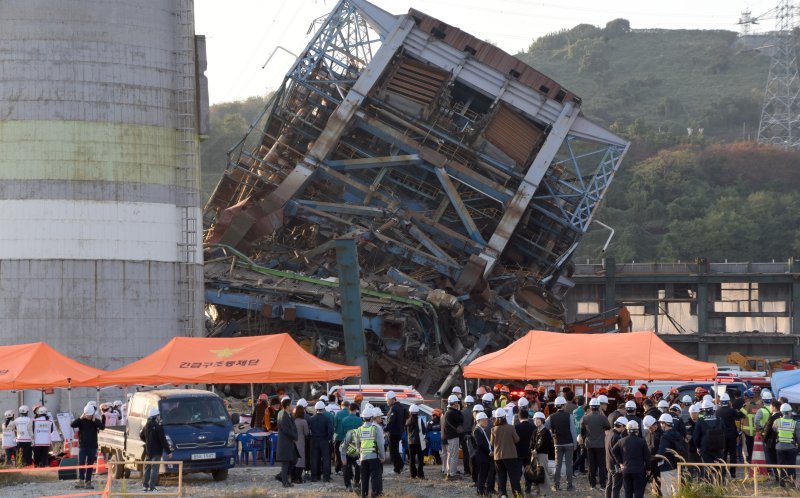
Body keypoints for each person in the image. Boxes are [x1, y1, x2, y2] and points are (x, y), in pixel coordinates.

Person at [612, 420, 650, 498]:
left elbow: (613, 451)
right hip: (639, 470)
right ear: (637, 430)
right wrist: (648, 468)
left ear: (627, 430)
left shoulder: (621, 440)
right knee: (638, 492)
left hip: (626, 470)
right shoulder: (642, 441)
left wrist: (620, 462)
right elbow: (647, 456)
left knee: (628, 492)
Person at [545, 396, 576, 492]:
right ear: (563, 405)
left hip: (557, 443)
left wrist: (552, 434)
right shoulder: (569, 416)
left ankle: (556, 485)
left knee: (557, 465)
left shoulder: (551, 417)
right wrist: (575, 443)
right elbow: (573, 431)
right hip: (569, 443)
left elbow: (544, 428)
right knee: (568, 465)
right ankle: (569, 486)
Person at [70, 405, 105, 489]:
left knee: (90, 464)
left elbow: (102, 427)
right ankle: (81, 481)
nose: (88, 417)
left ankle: (88, 482)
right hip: (82, 446)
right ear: (85, 414)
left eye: (90, 415)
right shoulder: (81, 421)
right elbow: (72, 425)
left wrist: (94, 420)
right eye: (87, 415)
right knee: (81, 463)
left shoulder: (95, 421)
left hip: (92, 446)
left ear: (93, 414)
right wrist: (80, 418)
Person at [491, 408, 522, 498]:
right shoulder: (511, 428)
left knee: (501, 477)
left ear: (496, 418)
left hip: (498, 457)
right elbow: (517, 439)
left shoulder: (493, 429)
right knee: (514, 477)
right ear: (505, 417)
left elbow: (492, 443)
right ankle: (517, 495)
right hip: (511, 456)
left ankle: (503, 494)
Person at [139, 407, 172, 493]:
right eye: (158, 415)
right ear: (155, 416)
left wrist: (148, 441)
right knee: (155, 469)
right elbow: (163, 440)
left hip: (148, 452)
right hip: (156, 452)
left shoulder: (146, 425)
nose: (159, 417)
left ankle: (145, 486)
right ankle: (152, 487)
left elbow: (141, 436)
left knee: (147, 469)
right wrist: (169, 451)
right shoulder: (158, 427)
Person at [355, 407, 385, 498]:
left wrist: (360, 455)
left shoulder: (359, 430)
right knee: (374, 478)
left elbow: (357, 446)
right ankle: (374, 495)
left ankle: (364, 495)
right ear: (372, 417)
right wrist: (382, 456)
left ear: (362, 418)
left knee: (364, 478)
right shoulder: (375, 429)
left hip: (363, 458)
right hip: (374, 457)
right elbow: (380, 444)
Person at [582, 397, 611, 490]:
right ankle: (602, 484)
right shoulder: (602, 418)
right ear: (598, 407)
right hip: (600, 444)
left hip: (589, 444)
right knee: (602, 465)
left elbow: (582, 431)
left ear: (590, 407)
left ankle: (592, 484)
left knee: (591, 464)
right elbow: (608, 426)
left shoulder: (585, 418)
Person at [692, 399, 726, 478]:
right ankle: (721, 485)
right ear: (712, 408)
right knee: (720, 468)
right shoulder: (719, 419)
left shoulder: (700, 420)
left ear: (703, 410)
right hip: (718, 447)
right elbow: (724, 432)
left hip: (705, 448)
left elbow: (696, 437)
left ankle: (709, 487)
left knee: (708, 469)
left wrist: (698, 447)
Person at [714, 392, 742, 478]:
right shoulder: (732, 410)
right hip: (732, 435)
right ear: (728, 401)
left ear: (721, 402)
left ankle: (723, 472)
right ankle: (733, 473)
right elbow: (740, 415)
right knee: (733, 454)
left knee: (723, 454)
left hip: (722, 436)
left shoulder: (717, 412)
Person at [657, 414, 684, 498]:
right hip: (677, 465)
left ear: (665, 424)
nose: (661, 425)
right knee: (676, 490)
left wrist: (655, 457)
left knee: (666, 491)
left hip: (666, 467)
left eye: (661, 423)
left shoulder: (665, 437)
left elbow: (662, 452)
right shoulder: (677, 434)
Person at [772, 403, 799, 487]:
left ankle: (782, 483)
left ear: (782, 412)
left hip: (779, 447)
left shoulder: (777, 421)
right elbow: (798, 436)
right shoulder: (795, 423)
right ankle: (792, 483)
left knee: (781, 465)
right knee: (791, 465)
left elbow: (774, 430)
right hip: (791, 447)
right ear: (789, 412)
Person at [339, 403, 364, 492]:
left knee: (346, 466)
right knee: (358, 465)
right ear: (356, 410)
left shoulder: (344, 420)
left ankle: (348, 485)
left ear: (349, 409)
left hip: (347, 446)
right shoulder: (359, 420)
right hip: (357, 446)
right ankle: (356, 481)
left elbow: (341, 434)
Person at [384, 391, 409, 475]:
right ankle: (401, 466)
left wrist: (385, 428)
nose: (387, 401)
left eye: (387, 400)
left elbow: (391, 421)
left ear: (392, 399)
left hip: (393, 432)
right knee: (395, 451)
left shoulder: (394, 408)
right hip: (399, 431)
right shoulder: (401, 407)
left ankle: (397, 469)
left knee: (393, 451)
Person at [276, 397, 298, 488]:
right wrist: (295, 436)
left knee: (293, 460)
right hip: (285, 443)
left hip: (289, 443)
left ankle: (283, 477)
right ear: (287, 406)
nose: (293, 406)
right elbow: (286, 430)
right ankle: (284, 481)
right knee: (285, 463)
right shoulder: (283, 416)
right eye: (291, 404)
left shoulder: (288, 414)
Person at [308, 401, 333, 482]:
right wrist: (328, 439)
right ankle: (326, 477)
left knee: (314, 459)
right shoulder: (327, 419)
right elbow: (331, 431)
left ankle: (314, 476)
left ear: (315, 409)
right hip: (324, 440)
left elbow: (309, 430)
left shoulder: (311, 418)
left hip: (314, 440)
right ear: (323, 409)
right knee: (326, 459)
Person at [532, 411, 554, 497]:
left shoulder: (546, 431)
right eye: (534, 419)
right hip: (534, 454)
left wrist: (536, 450)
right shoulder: (535, 431)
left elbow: (544, 443)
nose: (535, 421)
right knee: (535, 473)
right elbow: (531, 442)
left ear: (542, 420)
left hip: (542, 454)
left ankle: (546, 492)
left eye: (537, 419)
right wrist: (531, 449)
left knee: (543, 472)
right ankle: (537, 490)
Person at [605, 416, 628, 498]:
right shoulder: (617, 437)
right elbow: (618, 453)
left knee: (609, 484)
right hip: (615, 466)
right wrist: (621, 464)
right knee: (616, 487)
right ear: (622, 426)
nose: (625, 430)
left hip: (609, 463)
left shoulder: (609, 433)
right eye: (625, 427)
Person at [514, 405, 534, 494]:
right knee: (528, 471)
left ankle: (517, 488)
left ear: (519, 417)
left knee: (518, 472)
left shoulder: (516, 427)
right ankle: (528, 488)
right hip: (529, 452)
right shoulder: (533, 427)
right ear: (528, 416)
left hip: (518, 452)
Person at [442, 394, 463, 480]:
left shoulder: (447, 412)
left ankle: (448, 472)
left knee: (450, 455)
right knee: (454, 455)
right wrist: (459, 411)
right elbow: (461, 419)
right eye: (457, 403)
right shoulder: (453, 413)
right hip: (453, 437)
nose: (458, 404)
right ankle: (452, 474)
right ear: (454, 404)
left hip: (448, 437)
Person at [473, 412, 492, 496]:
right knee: (482, 473)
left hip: (484, 455)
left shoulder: (481, 430)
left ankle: (481, 490)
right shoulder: (477, 430)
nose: (486, 422)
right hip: (482, 455)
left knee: (484, 473)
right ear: (478, 421)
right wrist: (489, 451)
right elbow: (480, 444)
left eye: (486, 420)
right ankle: (480, 491)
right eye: (483, 420)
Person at [406, 404, 427, 480]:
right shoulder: (419, 420)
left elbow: (406, 432)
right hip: (419, 442)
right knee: (421, 459)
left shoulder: (407, 421)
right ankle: (420, 474)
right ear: (417, 412)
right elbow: (424, 430)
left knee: (412, 459)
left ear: (410, 412)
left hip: (410, 443)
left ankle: (413, 475)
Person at [292, 402, 310, 483]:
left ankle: (293, 478)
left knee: (294, 460)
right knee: (301, 460)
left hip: (293, 442)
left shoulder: (293, 420)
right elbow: (306, 433)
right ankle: (298, 478)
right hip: (300, 442)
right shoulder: (303, 421)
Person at [334, 400, 351, 475]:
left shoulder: (338, 414)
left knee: (338, 454)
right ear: (348, 406)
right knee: (347, 454)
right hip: (349, 438)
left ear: (341, 405)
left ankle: (338, 469)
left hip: (339, 437)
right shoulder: (350, 414)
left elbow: (334, 425)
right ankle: (347, 468)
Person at [739, 390, 757, 463]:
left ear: (747, 396)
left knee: (749, 446)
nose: (744, 397)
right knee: (753, 445)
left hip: (747, 431)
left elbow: (741, 414)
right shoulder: (756, 405)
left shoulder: (747, 405)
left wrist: (742, 407)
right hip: (755, 430)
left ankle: (750, 459)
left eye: (744, 395)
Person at [461, 395, 475, 476]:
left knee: (465, 453)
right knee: (472, 453)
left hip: (463, 435)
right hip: (472, 434)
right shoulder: (474, 412)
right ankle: (472, 469)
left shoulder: (462, 412)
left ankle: (466, 470)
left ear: (465, 403)